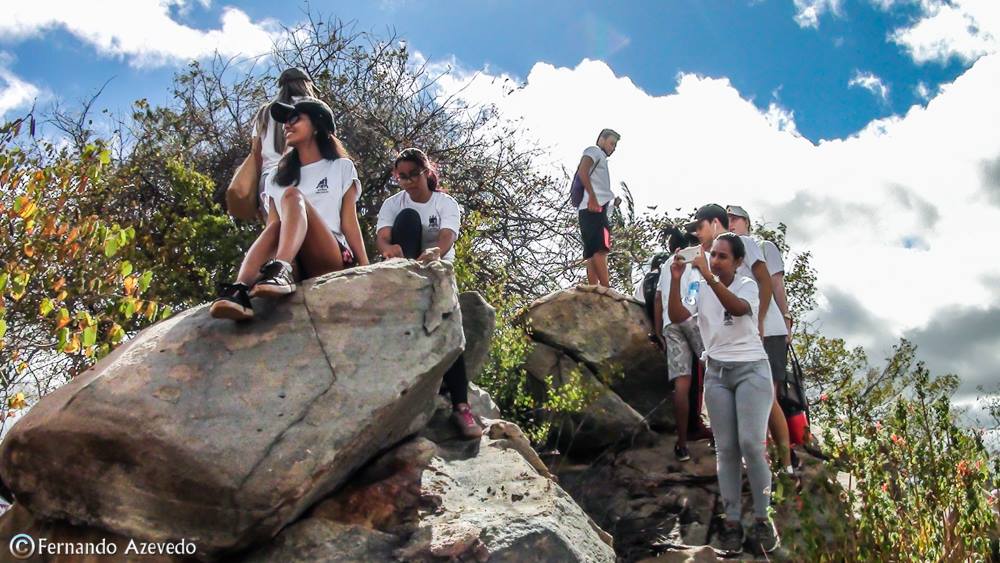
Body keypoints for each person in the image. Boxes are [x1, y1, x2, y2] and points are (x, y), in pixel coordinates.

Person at [667, 233, 780, 556]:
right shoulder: (698, 285)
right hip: (717, 372)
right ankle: (731, 522)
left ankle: (763, 516)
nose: (715, 261)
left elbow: (739, 309)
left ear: (738, 262)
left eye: (722, 257)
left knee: (750, 444)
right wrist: (676, 280)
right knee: (726, 449)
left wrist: (706, 275)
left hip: (751, 370)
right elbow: (678, 316)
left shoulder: (746, 286)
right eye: (712, 255)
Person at [210, 97, 368, 320]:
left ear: (317, 126)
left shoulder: (341, 167)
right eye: (285, 121)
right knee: (276, 225)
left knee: (293, 196)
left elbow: (349, 222)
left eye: (296, 119)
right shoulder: (276, 177)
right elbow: (273, 227)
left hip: (328, 255)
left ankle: (280, 270)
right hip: (294, 260)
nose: (287, 125)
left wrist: (366, 268)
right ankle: (240, 290)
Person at [375, 147, 482, 439]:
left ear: (427, 172)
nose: (408, 182)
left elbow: (447, 236)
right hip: (405, 269)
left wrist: (436, 252)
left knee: (450, 331)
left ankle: (461, 406)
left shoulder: (444, 204)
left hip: (437, 271)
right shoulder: (393, 204)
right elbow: (383, 236)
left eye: (413, 175)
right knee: (408, 217)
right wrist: (388, 250)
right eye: (401, 177)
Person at [727, 205, 796, 474]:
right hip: (747, 332)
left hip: (772, 329)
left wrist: (787, 317)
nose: (731, 223)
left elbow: (776, 284)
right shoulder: (726, 253)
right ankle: (762, 456)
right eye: (727, 218)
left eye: (735, 218)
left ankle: (782, 460)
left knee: (769, 395)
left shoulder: (762, 246)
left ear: (747, 222)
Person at [653, 225, 711, 461]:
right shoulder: (701, 258)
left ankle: (682, 444)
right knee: (715, 372)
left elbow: (658, 298)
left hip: (671, 324)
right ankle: (719, 437)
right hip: (694, 318)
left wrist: (658, 332)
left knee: (682, 383)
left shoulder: (668, 262)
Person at [252, 68, 318, 217]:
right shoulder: (313, 107)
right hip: (305, 176)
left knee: (278, 235)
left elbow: (256, 154)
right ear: (305, 85)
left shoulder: (265, 112)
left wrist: (256, 194)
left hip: (269, 180)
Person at [576, 129, 620, 287]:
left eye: (615, 146)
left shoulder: (601, 158)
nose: (613, 148)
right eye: (611, 143)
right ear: (601, 139)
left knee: (592, 250)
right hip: (593, 207)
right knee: (600, 249)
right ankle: (605, 286)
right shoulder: (594, 151)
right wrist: (593, 197)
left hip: (591, 208)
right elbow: (583, 170)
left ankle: (593, 286)